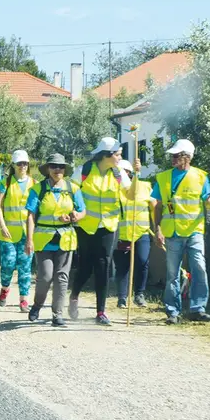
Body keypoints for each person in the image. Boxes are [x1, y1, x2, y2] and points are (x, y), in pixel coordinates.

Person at [153, 139, 210, 324]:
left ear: (187, 157)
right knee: (172, 274)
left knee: (200, 268)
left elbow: (208, 202)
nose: (173, 158)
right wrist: (157, 229)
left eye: (177, 155)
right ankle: (173, 311)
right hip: (172, 233)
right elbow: (157, 205)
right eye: (172, 155)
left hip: (194, 231)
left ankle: (197, 308)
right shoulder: (163, 178)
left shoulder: (202, 177)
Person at [69, 137, 129, 326]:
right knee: (86, 266)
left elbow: (131, 194)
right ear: (107, 155)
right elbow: (70, 190)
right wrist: (74, 210)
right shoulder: (84, 170)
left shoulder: (119, 174)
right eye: (118, 154)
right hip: (86, 226)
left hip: (109, 226)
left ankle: (101, 312)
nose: (120, 158)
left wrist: (137, 176)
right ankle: (74, 296)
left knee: (104, 266)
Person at [25, 153, 86, 326]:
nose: (57, 169)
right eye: (53, 166)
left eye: (60, 167)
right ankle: (37, 305)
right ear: (48, 169)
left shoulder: (73, 189)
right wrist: (29, 239)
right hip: (44, 239)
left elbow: (82, 212)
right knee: (45, 276)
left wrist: (75, 216)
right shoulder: (38, 189)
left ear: (65, 169)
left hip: (66, 239)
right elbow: (30, 215)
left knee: (62, 277)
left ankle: (56, 314)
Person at [0, 149, 35, 313]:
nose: (22, 166)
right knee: (8, 265)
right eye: (19, 163)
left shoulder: (34, 183)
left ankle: (24, 300)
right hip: (8, 234)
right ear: (14, 165)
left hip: (27, 234)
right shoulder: (6, 182)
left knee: (25, 267)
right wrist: (2, 226)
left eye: (25, 163)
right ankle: (5, 289)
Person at [114, 159, 155, 309]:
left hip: (142, 232)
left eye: (123, 172)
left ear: (129, 173)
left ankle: (139, 294)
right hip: (123, 234)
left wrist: (158, 228)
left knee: (143, 262)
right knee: (123, 267)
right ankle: (122, 297)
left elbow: (154, 205)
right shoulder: (116, 189)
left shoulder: (145, 186)